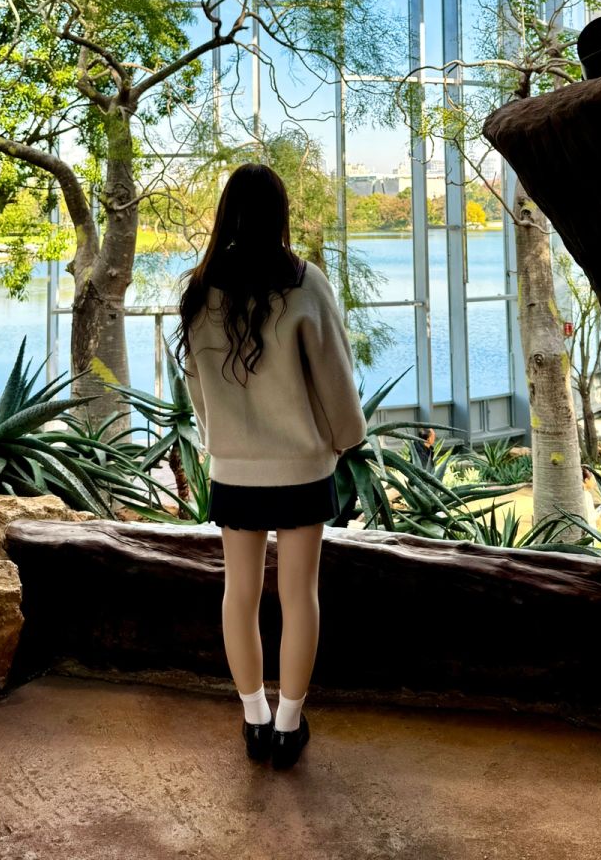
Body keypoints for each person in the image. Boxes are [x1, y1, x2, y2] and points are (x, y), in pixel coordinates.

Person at [175, 163, 366, 770]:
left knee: (240, 593)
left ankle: (254, 715)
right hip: (303, 469)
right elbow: (335, 381)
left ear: (226, 214)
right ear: (280, 215)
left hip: (235, 471)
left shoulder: (200, 291)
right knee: (299, 594)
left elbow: (199, 395)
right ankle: (289, 724)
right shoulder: (306, 283)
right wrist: (343, 440)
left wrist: (221, 446)